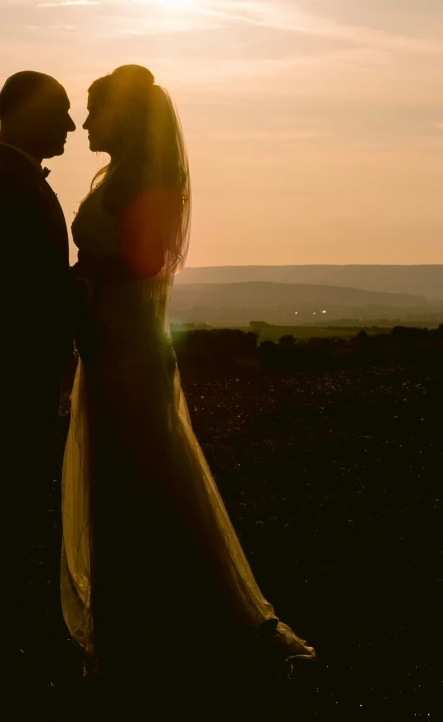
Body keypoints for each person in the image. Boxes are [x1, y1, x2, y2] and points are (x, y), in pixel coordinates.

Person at [59, 64, 315, 678]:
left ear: (125, 117)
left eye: (96, 109)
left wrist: (81, 284)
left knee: (143, 482)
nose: (87, 121)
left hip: (128, 355)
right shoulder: (119, 178)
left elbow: (140, 265)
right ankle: (145, 626)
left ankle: (173, 630)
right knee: (123, 485)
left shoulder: (141, 185)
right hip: (109, 352)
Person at [0, 70, 85, 665]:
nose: (69, 124)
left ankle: (0, 631)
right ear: (22, 112)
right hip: (6, 379)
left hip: (6, 374)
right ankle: (0, 641)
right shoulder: (9, 185)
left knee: (10, 505)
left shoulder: (7, 178)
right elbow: (25, 295)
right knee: (7, 506)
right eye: (58, 111)